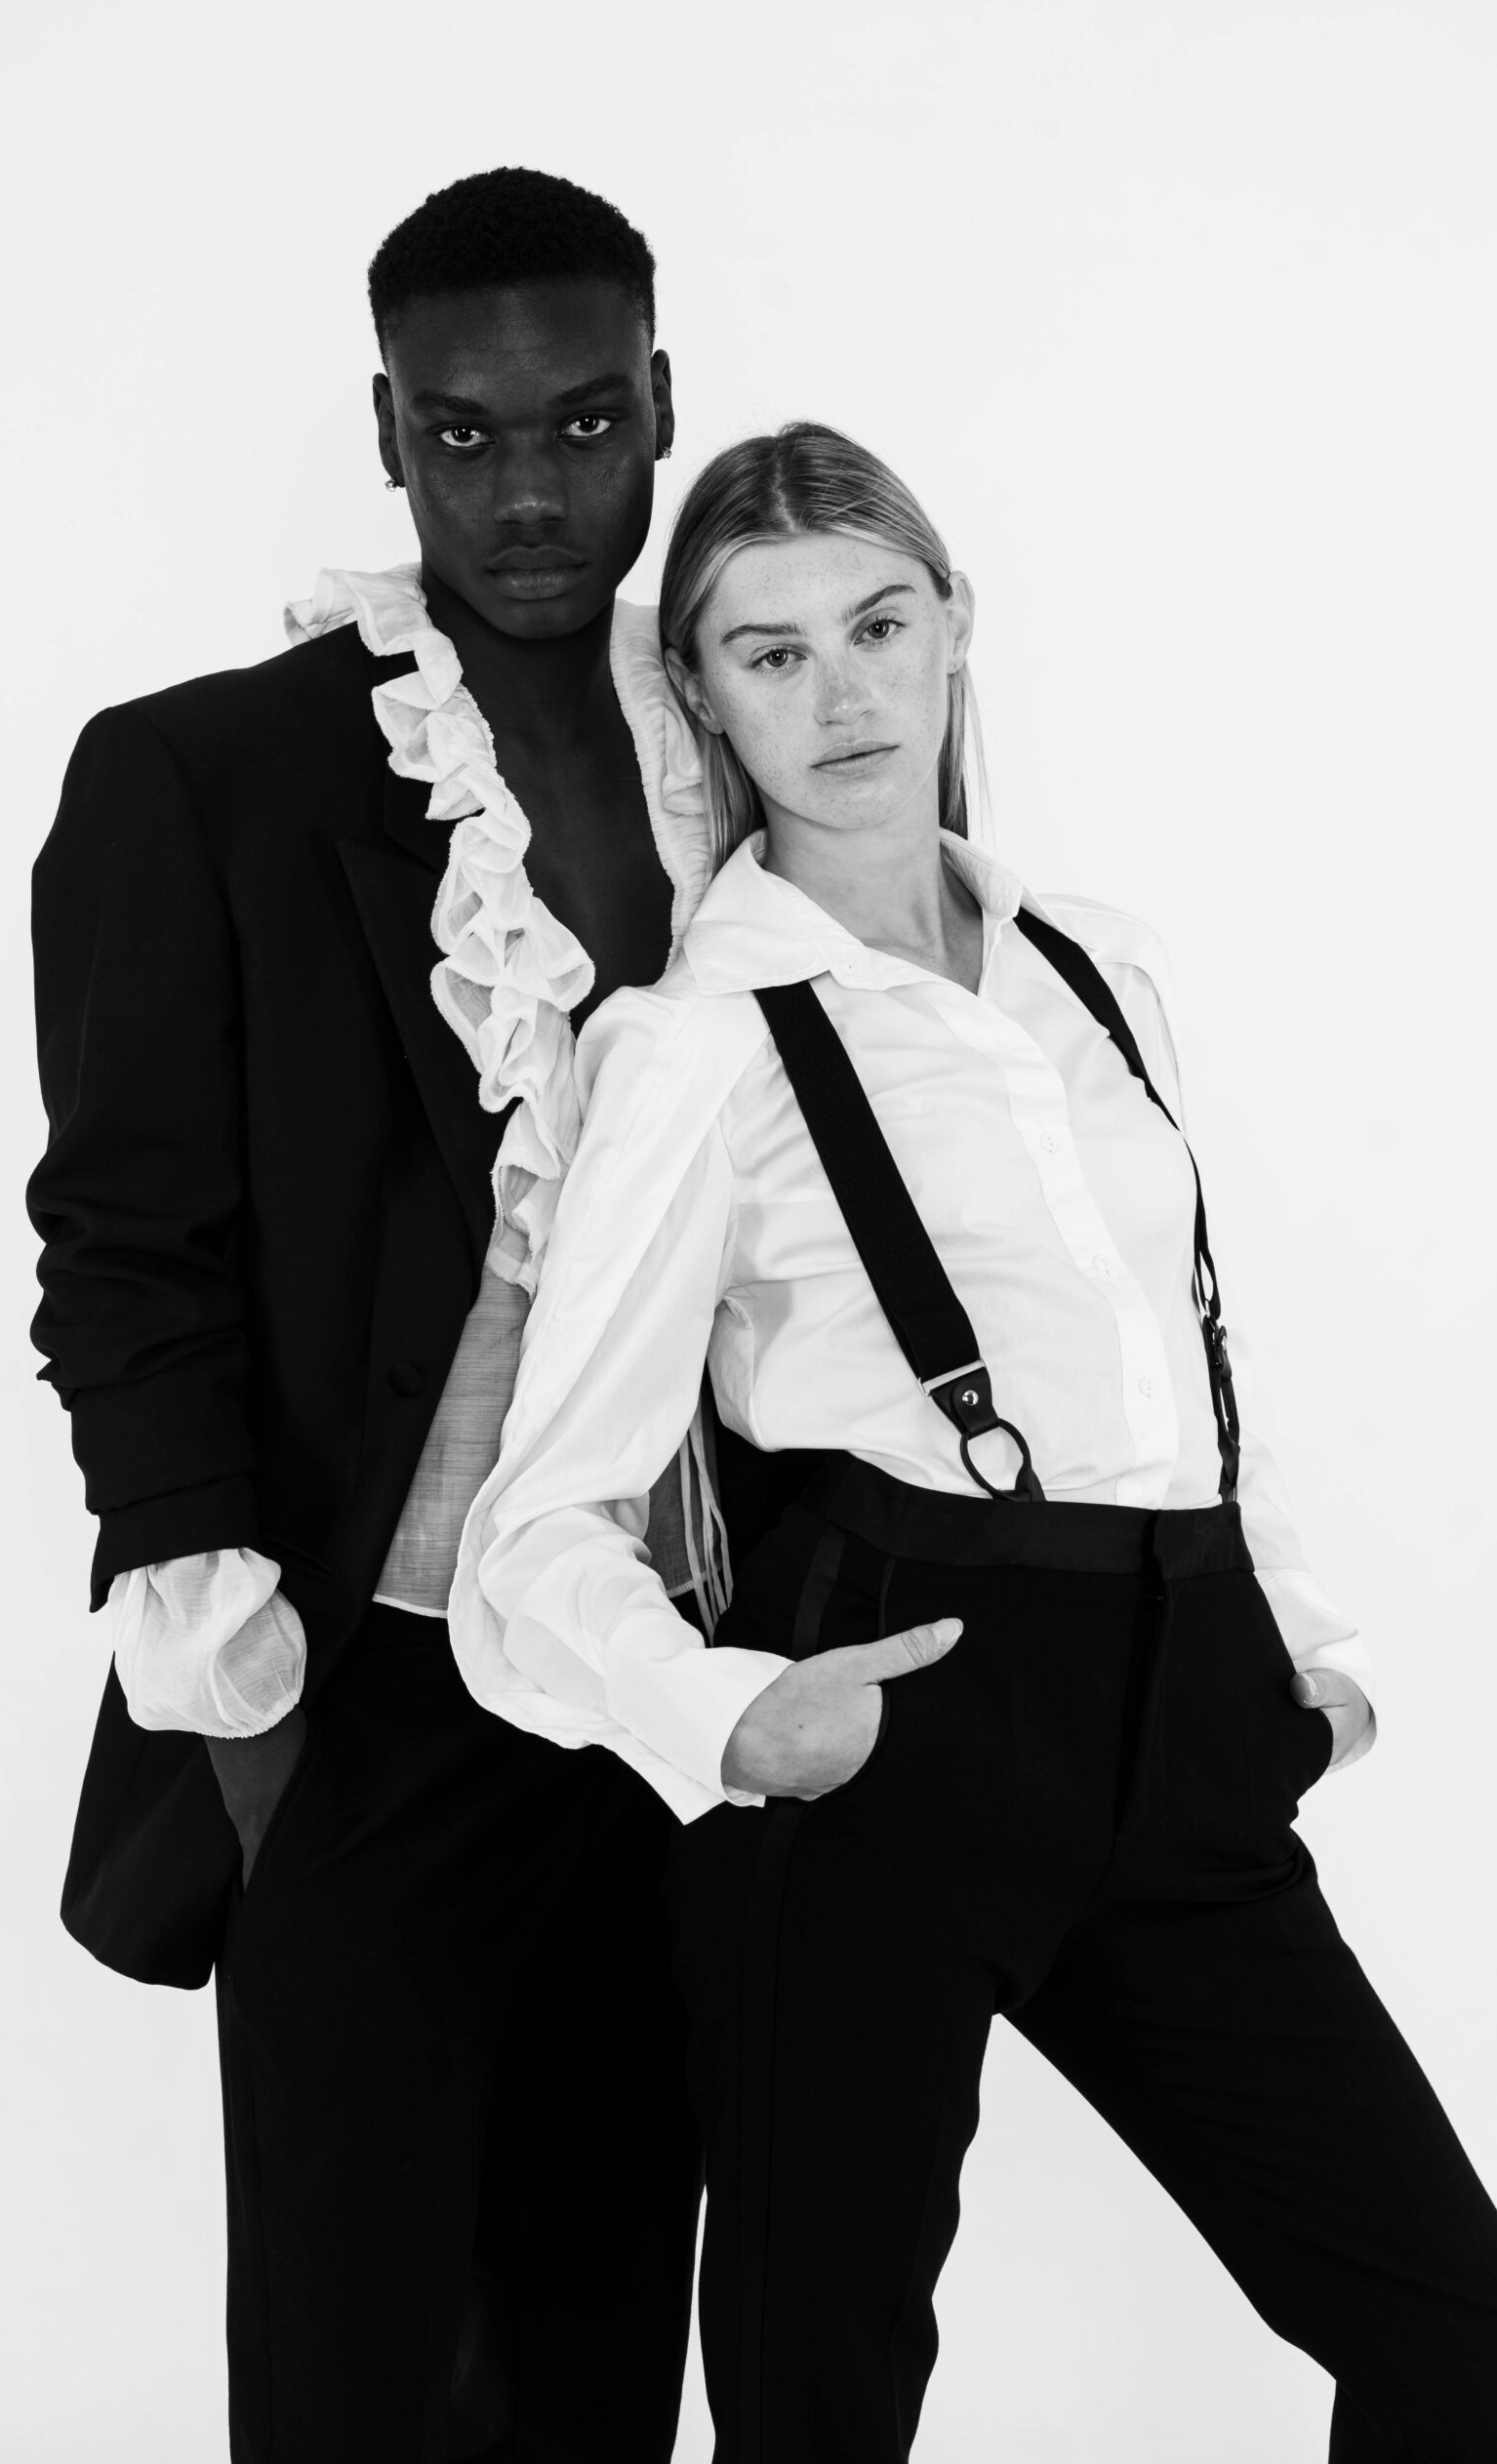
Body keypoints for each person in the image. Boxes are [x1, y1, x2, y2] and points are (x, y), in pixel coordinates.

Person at [452, 422, 1497, 2461]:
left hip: (1181, 1716)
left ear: (952, 629)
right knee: (820, 2404)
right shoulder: (696, 1047)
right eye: (768, 653)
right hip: (884, 1730)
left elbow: (1184, 1356)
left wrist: (1301, 1657)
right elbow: (537, 1525)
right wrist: (735, 1718)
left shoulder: (1096, 969)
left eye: (877, 624)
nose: (839, 694)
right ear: (701, 693)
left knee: (1452, 2335)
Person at [27, 168, 712, 2461]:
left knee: (600, 2350)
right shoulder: (206, 772)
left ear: (659, 405)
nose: (527, 494)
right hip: (364, 1686)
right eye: (463, 433)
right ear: (389, 431)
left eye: (583, 424)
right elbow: (125, 1244)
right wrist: (241, 1694)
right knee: (350, 2365)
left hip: (677, 1681)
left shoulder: (744, 738)